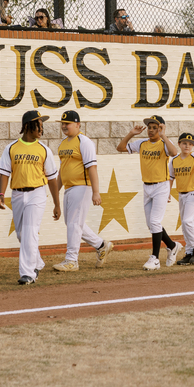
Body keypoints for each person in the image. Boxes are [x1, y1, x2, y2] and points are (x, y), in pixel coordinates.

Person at [0, 110, 61, 285]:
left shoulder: (44, 150)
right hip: (17, 194)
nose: (41, 128)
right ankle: (38, 262)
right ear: (27, 126)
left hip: (37, 193)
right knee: (21, 234)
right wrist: (1, 194)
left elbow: (52, 178)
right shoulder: (11, 148)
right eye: (38, 124)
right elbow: (4, 173)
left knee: (30, 232)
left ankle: (28, 273)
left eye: (42, 124)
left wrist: (56, 204)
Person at [117, 115, 182, 270]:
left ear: (161, 128)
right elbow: (120, 148)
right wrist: (132, 133)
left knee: (154, 222)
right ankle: (172, 246)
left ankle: (155, 258)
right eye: (150, 127)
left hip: (161, 186)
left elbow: (174, 153)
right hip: (147, 186)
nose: (151, 130)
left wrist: (164, 135)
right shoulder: (142, 144)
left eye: (156, 127)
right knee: (151, 224)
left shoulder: (164, 143)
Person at [53, 110, 113, 271]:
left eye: (68, 123)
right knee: (73, 223)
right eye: (63, 124)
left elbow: (92, 167)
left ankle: (72, 260)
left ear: (78, 124)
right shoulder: (64, 143)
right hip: (69, 188)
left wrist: (96, 192)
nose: (64, 126)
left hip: (82, 187)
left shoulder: (84, 142)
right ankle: (101, 245)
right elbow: (62, 171)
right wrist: (55, 192)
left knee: (74, 223)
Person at [170, 132, 194, 266]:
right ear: (179, 144)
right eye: (185, 143)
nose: (187, 146)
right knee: (184, 224)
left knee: (187, 221)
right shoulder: (174, 160)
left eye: (190, 144)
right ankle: (189, 252)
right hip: (181, 194)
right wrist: (168, 193)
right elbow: (171, 178)